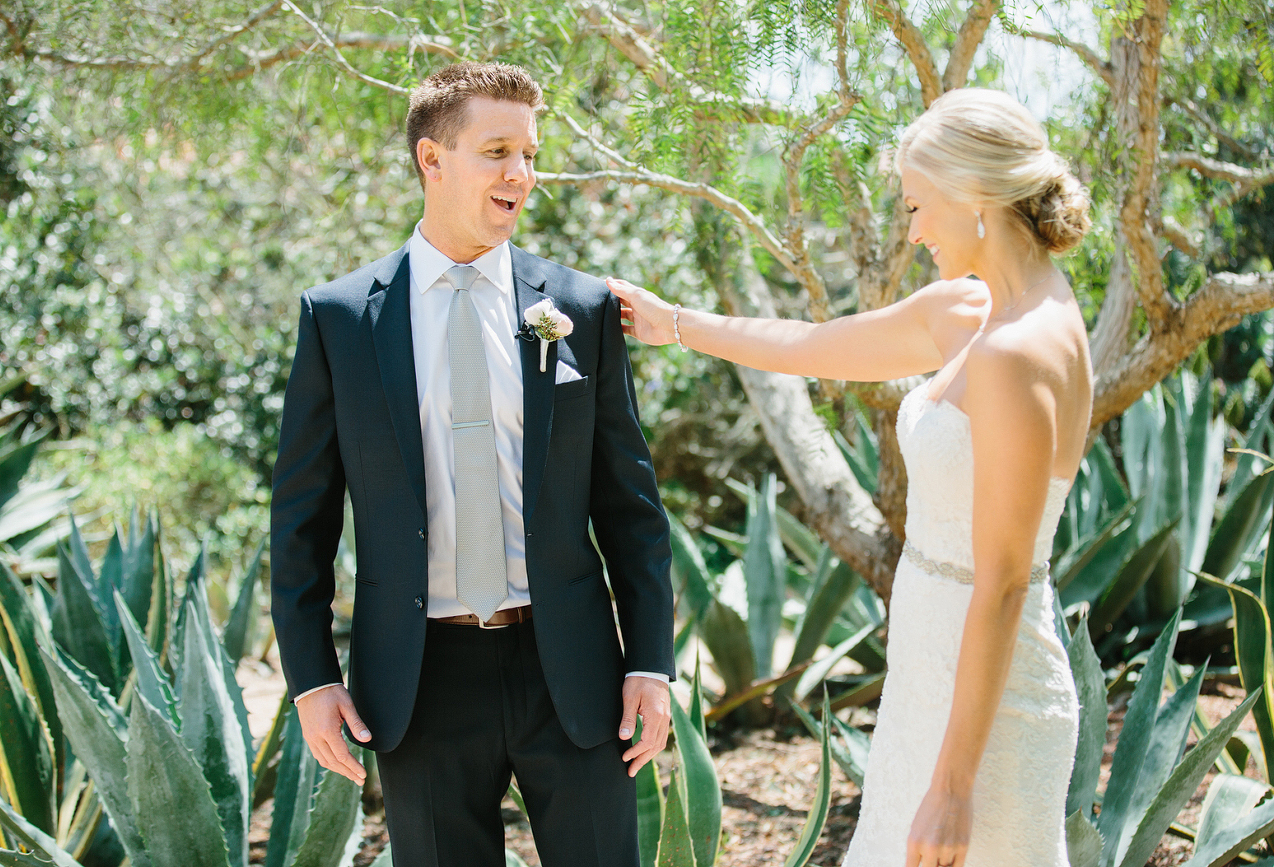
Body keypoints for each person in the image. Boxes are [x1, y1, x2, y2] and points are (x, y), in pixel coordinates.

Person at [608, 87, 1092, 867]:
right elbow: (814, 343)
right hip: (928, 674)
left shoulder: (1016, 350)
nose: (914, 229)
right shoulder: (975, 311)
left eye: (916, 205)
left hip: (987, 718)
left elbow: (1002, 581)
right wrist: (676, 325)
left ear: (973, 195)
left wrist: (954, 784)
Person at [269, 61, 675, 867]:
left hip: (573, 669)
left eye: (529, 153)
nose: (520, 174)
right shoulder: (340, 317)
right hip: (418, 677)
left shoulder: (579, 307)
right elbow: (301, 518)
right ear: (432, 159)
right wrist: (313, 680)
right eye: (497, 151)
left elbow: (631, 504)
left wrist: (651, 663)